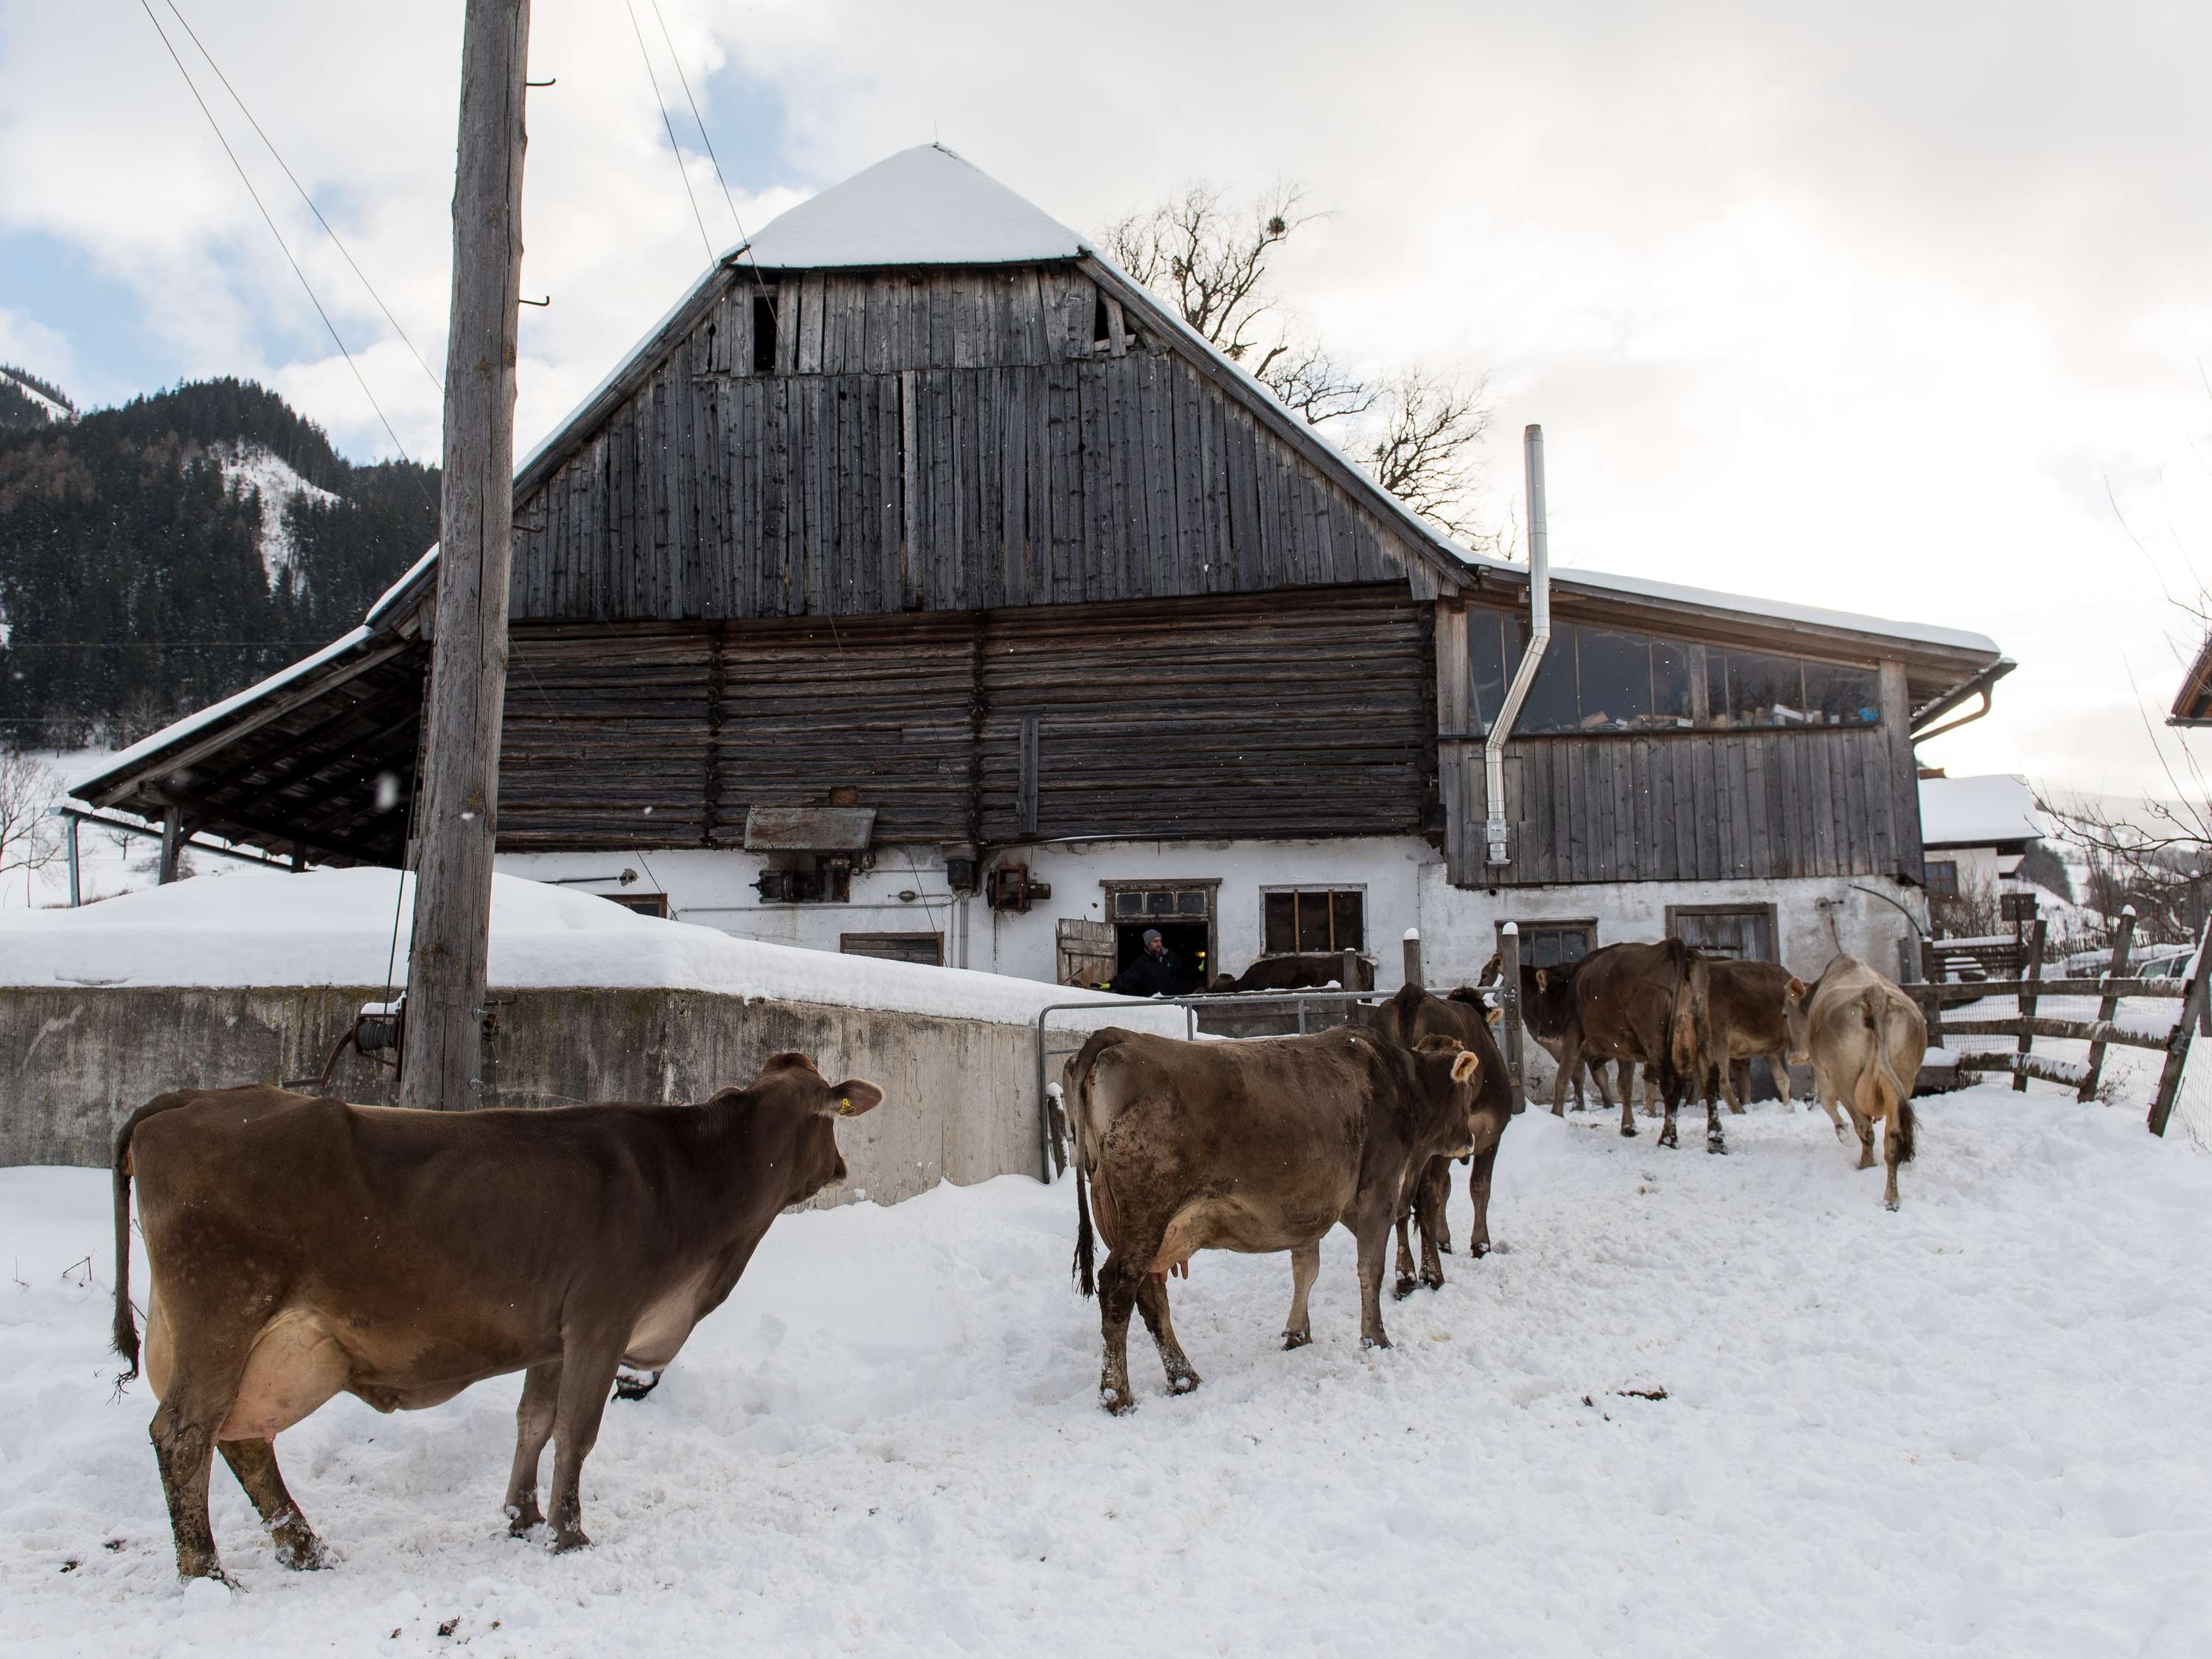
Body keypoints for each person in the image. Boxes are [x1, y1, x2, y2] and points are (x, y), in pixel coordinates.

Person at [1111, 928, 1183, 998]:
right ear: (1148, 944)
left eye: (1160, 941)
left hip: (1174, 1001)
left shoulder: (1172, 957)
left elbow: (1184, 975)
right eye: (1155, 941)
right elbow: (1128, 977)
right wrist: (1111, 984)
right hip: (1155, 1002)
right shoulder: (1141, 963)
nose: (1159, 944)